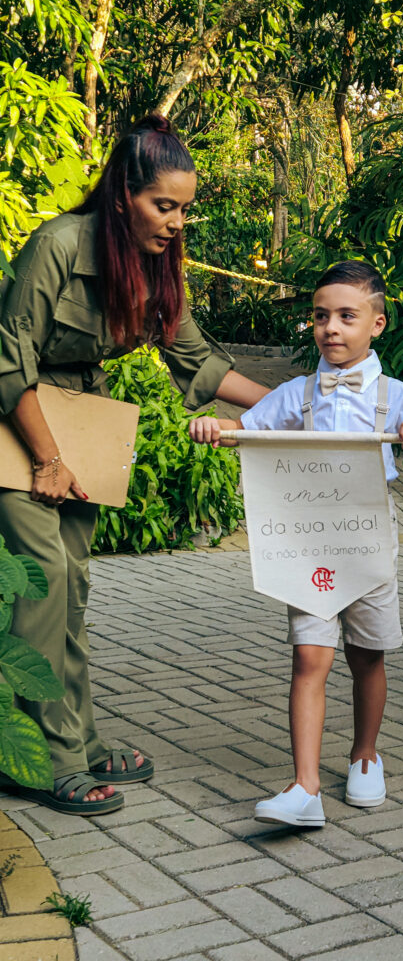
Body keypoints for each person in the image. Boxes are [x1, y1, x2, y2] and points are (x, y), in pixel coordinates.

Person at [0, 114, 269, 816]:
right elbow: (8, 360)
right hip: (20, 420)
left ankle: (80, 743)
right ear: (124, 193)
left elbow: (199, 362)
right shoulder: (57, 244)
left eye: (184, 208)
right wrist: (48, 458)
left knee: (74, 588)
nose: (177, 221)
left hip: (85, 417)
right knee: (43, 581)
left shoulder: (154, 264)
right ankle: (38, 761)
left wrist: (290, 408)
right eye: (164, 205)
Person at [190, 260, 403, 827]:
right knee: (309, 656)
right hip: (307, 541)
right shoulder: (296, 395)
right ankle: (305, 787)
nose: (332, 329)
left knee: (367, 656)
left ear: (378, 324)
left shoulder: (398, 395)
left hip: (369, 542)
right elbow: (246, 431)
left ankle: (365, 755)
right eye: (321, 317)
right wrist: (214, 428)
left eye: (347, 316)